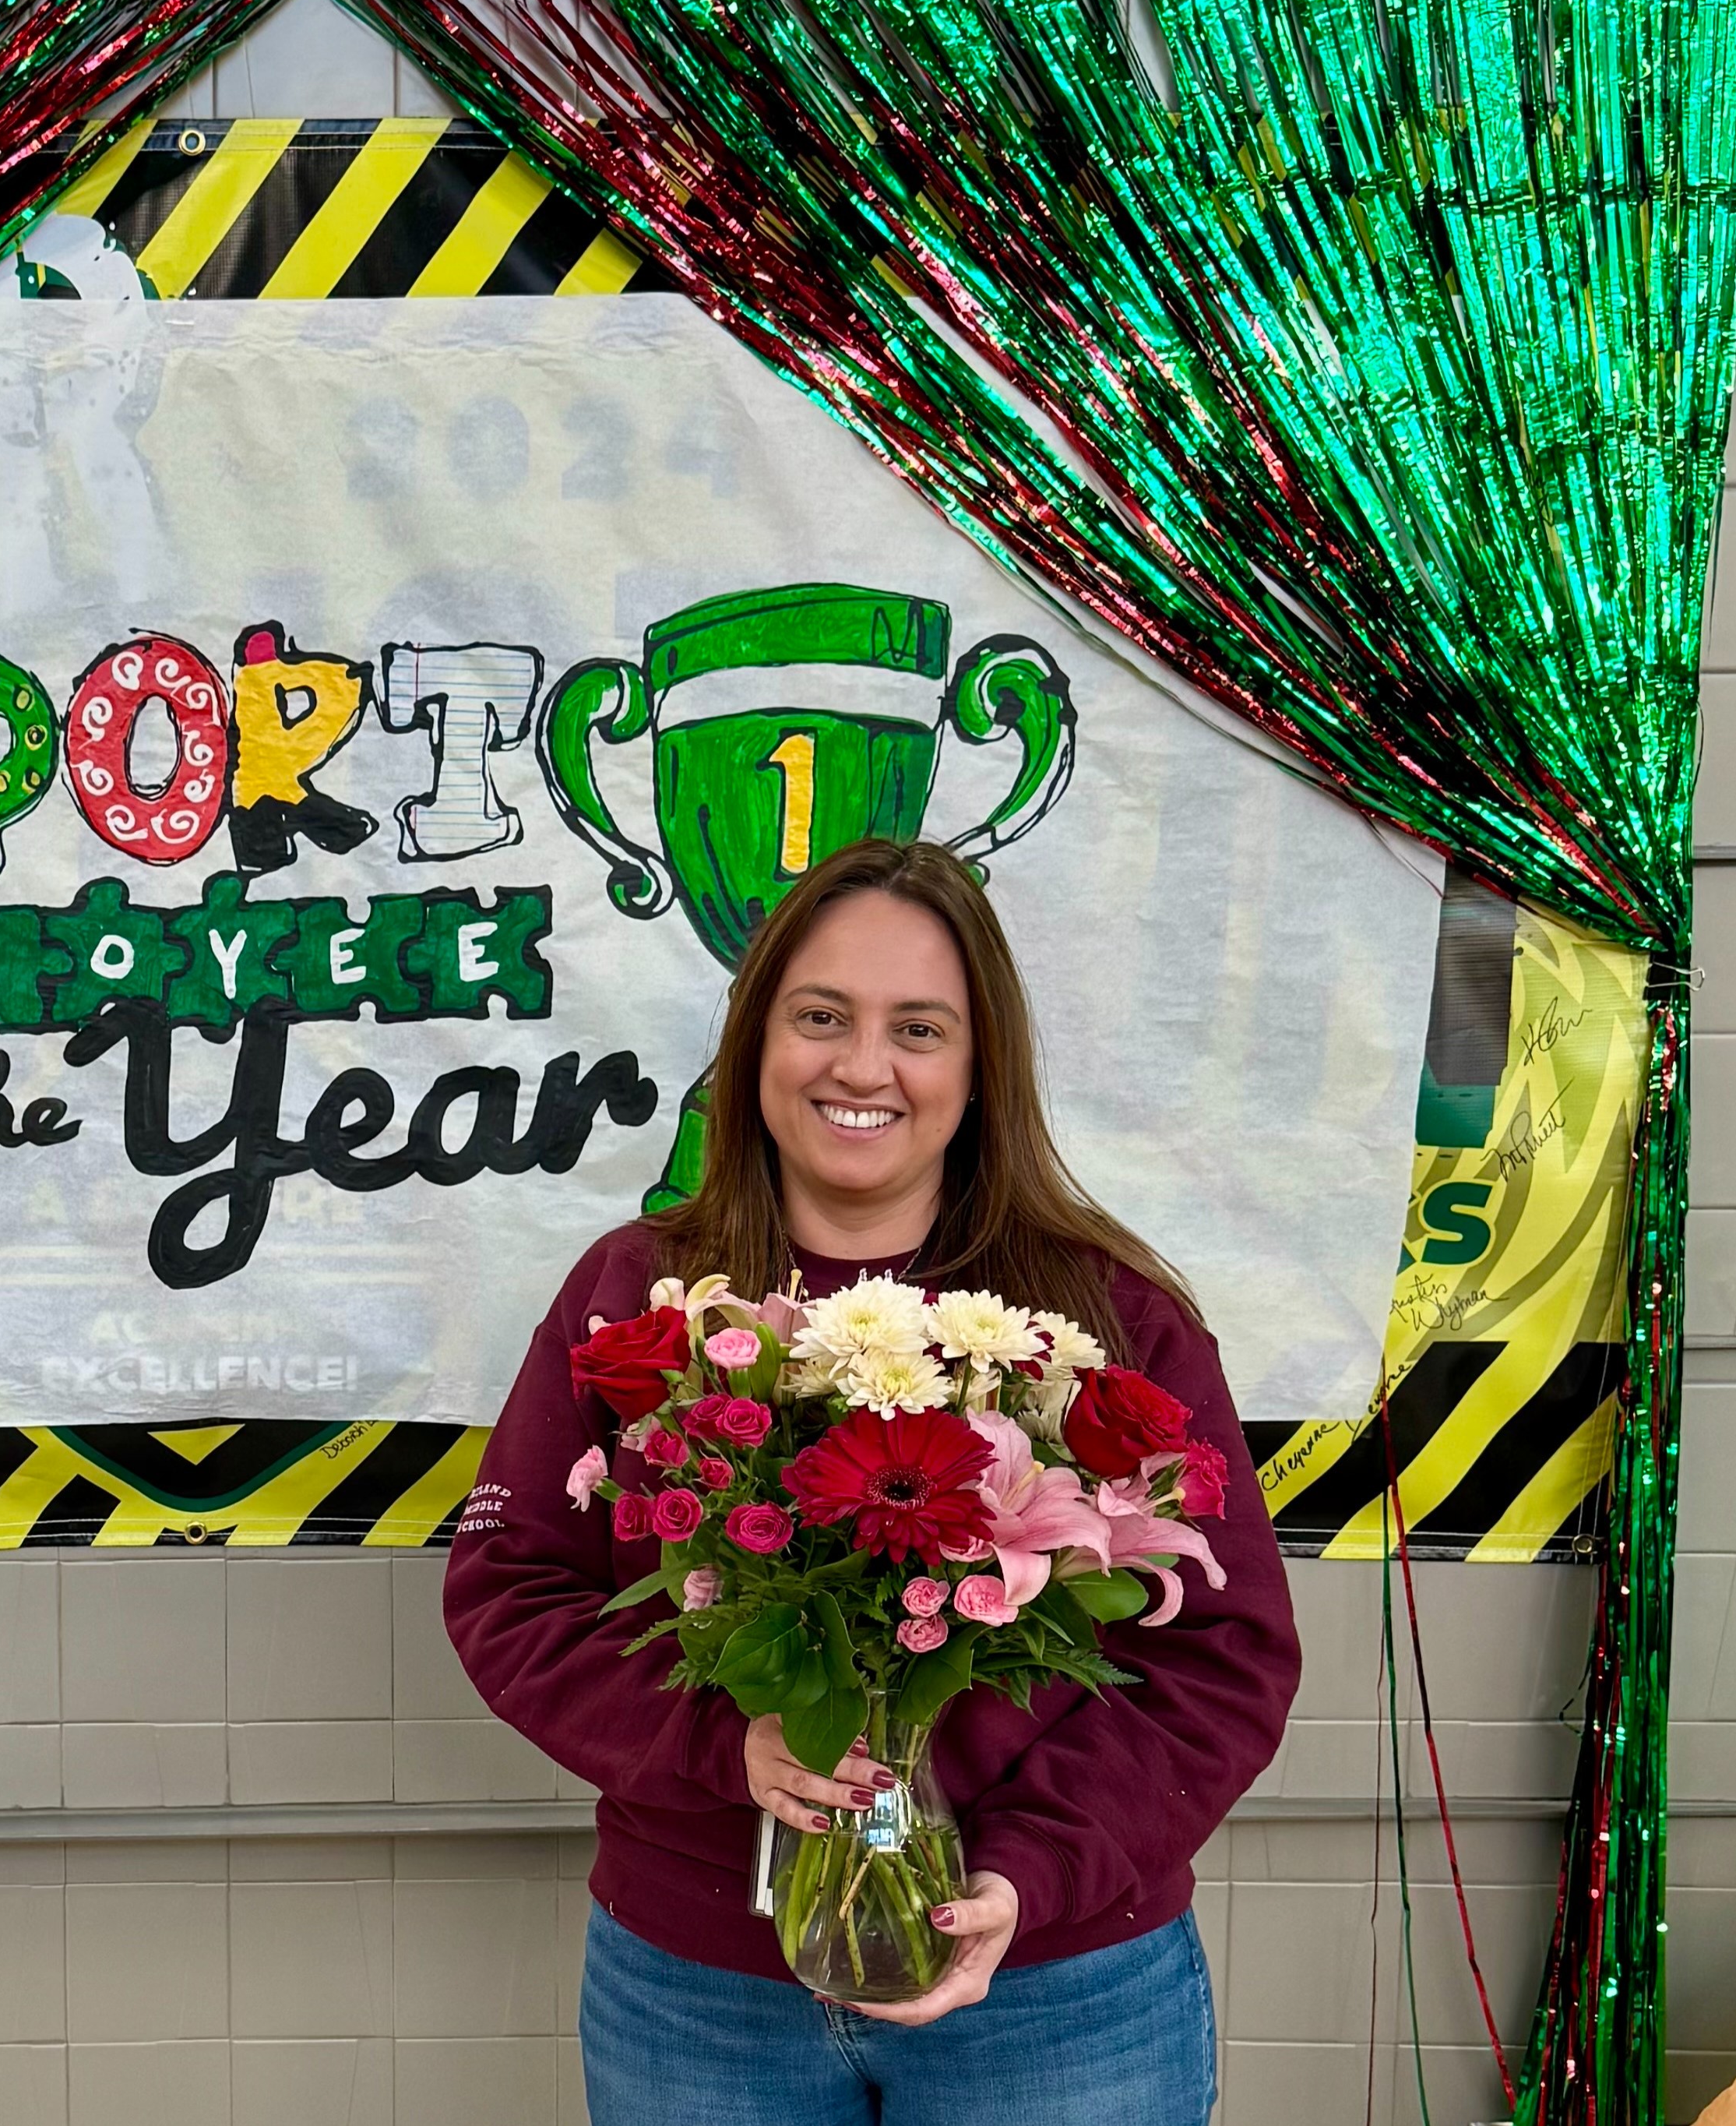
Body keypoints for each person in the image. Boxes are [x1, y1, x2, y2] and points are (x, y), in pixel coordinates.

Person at [445, 837, 1294, 2125]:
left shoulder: (1101, 1321)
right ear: (756, 1041)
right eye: (820, 1016)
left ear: (978, 1066)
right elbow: (511, 1592)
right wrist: (724, 1746)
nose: (860, 1065)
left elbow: (1221, 1657)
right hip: (700, 1989)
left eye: (918, 1027)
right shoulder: (638, 1302)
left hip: (1056, 1991)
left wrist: (1026, 1872)